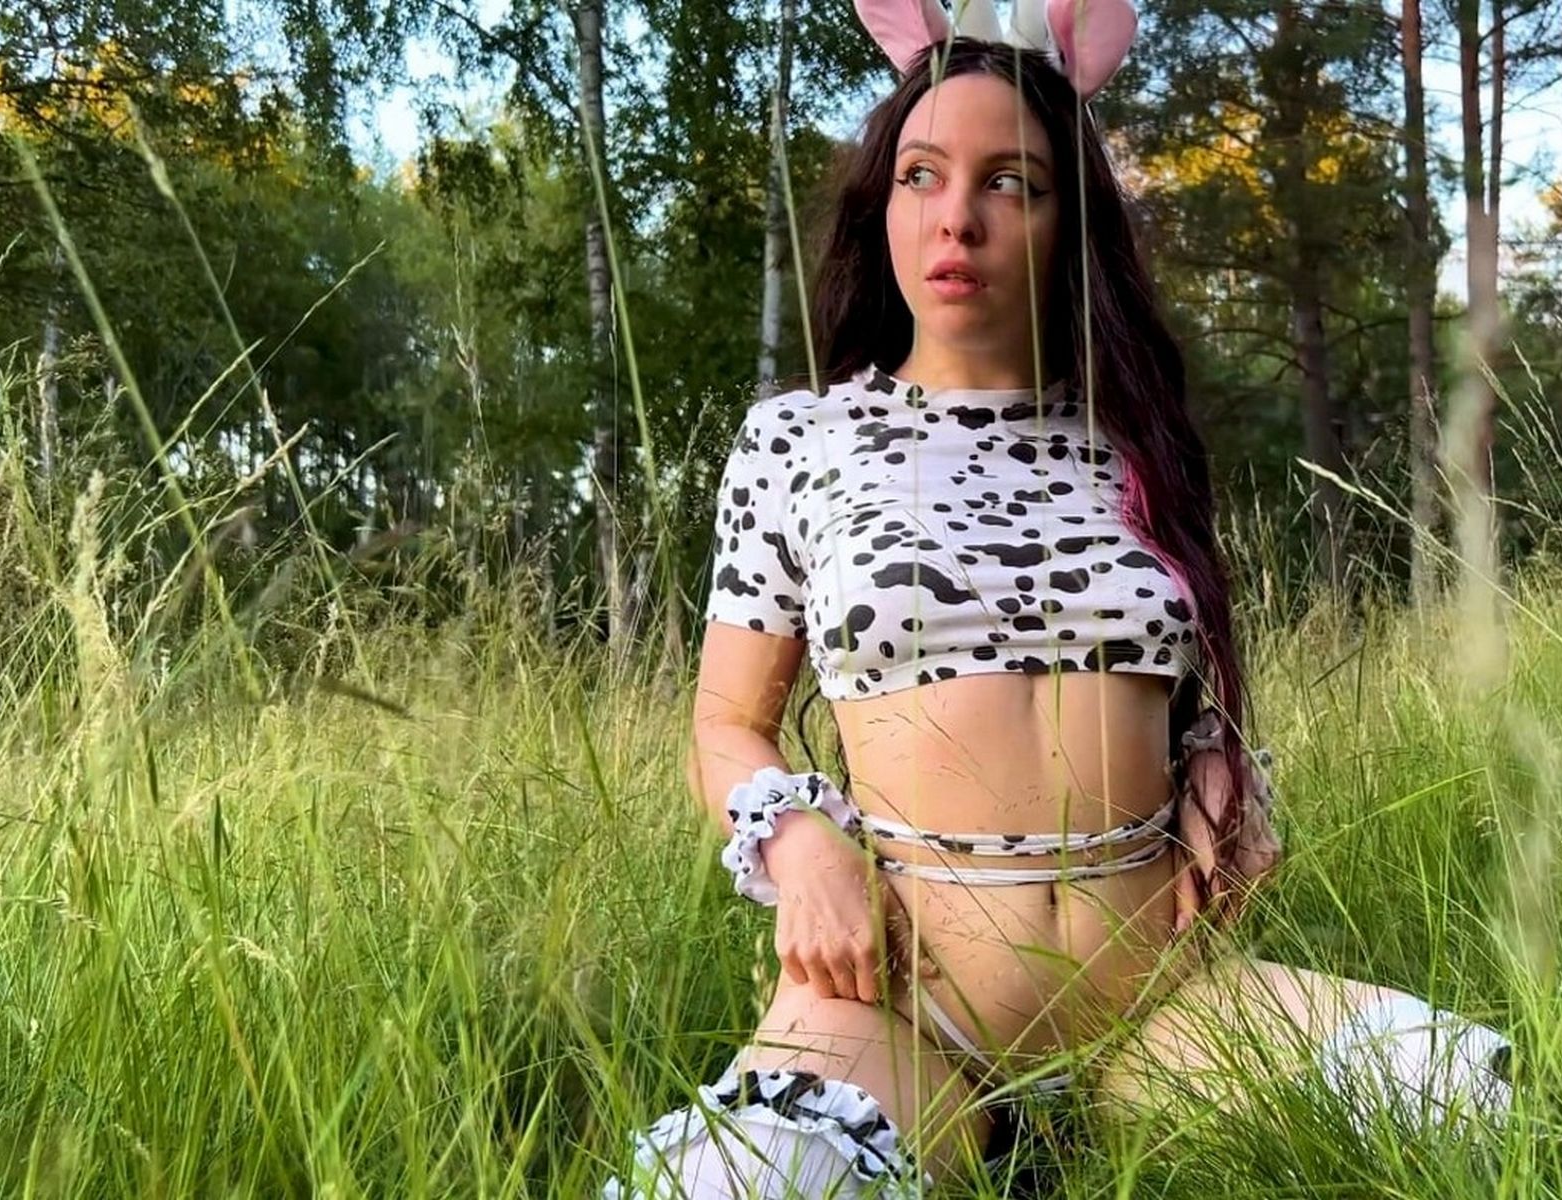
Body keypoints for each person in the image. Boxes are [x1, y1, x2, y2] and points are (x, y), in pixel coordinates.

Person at [605, 1, 1513, 1194]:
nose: (957, 216)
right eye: (922, 176)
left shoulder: (1132, 442)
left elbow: (1175, 687)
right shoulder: (799, 438)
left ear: (1066, 221)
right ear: (883, 205)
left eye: (1011, 183)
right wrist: (801, 841)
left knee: (1466, 1103)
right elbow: (725, 724)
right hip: (905, 1010)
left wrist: (1225, 773)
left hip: (1157, 1004)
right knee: (749, 1183)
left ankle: (1083, 1135)